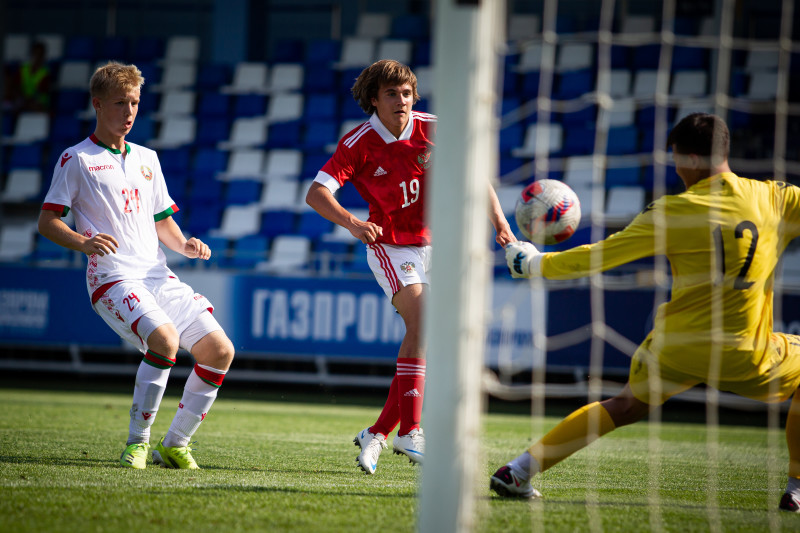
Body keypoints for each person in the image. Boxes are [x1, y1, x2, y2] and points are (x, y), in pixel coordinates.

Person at [491, 112, 800, 512]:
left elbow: (600, 257)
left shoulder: (672, 210)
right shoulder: (774, 198)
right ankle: (795, 486)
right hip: (747, 351)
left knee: (622, 407)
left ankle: (518, 471)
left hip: (676, 347)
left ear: (689, 159)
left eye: (675, 157)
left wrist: (532, 264)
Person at [306, 59, 515, 474]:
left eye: (406, 93)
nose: (401, 101)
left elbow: (477, 177)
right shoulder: (358, 143)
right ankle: (410, 430)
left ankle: (379, 432)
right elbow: (316, 193)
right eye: (391, 94)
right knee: (422, 324)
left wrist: (502, 226)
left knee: (431, 338)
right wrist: (353, 222)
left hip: (439, 245)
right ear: (374, 100)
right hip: (390, 246)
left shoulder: (434, 127)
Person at [38, 62, 235, 470]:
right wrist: (84, 242)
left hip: (156, 275)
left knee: (220, 350)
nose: (128, 113)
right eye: (119, 104)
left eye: (134, 103)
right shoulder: (76, 159)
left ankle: (176, 443)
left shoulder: (147, 158)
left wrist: (187, 245)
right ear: (97, 105)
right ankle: (137, 443)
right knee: (164, 342)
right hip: (112, 277)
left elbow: (162, 221)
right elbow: (48, 221)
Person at [4, 40, 52, 115]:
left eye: (40, 54)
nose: (37, 57)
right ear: (32, 54)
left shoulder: (46, 73)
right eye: (36, 54)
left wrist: (27, 100)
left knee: (37, 108)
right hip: (21, 100)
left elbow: (42, 93)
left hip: (36, 103)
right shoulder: (23, 69)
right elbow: (15, 86)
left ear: (43, 56)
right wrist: (20, 97)